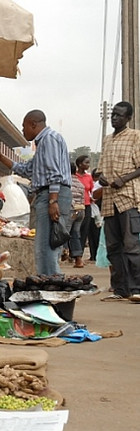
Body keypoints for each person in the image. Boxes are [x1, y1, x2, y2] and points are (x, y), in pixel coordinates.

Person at [0, 110, 72, 275]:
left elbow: (54, 173)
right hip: (47, 195)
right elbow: (26, 170)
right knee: (46, 248)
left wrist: (53, 201)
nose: (23, 131)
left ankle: (51, 283)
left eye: (24, 126)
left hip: (51, 194)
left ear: (33, 124)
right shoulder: (43, 144)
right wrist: (1, 158)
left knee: (46, 250)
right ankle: (50, 280)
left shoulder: (49, 139)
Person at [96, 101, 140, 302]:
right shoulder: (107, 140)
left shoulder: (135, 136)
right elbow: (99, 170)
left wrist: (124, 179)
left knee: (131, 246)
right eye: (113, 114)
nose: (114, 118)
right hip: (109, 202)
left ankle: (136, 288)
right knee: (113, 247)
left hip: (128, 199)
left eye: (119, 115)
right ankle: (120, 288)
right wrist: (101, 178)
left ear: (128, 118)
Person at [62, 162, 86, 268]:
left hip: (70, 210)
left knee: (64, 233)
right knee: (75, 234)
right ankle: (78, 260)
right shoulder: (80, 183)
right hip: (80, 210)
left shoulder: (66, 182)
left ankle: (64, 252)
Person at [74, 156, 97, 261]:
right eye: (86, 163)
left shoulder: (89, 177)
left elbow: (92, 191)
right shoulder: (74, 176)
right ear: (80, 164)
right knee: (75, 230)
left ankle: (80, 254)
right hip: (75, 205)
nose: (88, 165)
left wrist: (93, 198)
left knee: (84, 229)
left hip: (87, 205)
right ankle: (73, 252)